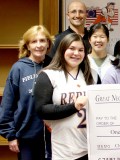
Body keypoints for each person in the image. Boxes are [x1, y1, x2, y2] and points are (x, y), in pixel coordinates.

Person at [34, 33, 99, 160]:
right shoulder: (48, 75)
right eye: (72, 48)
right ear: (63, 50)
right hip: (62, 149)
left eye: (81, 50)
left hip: (90, 149)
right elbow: (41, 110)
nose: (76, 53)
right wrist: (74, 106)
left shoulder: (93, 75)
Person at [0, 25, 53, 160]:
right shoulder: (18, 68)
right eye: (34, 41)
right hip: (25, 136)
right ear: (27, 46)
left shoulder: (54, 66)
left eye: (42, 40)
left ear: (48, 43)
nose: (39, 45)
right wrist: (10, 135)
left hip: (52, 136)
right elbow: (7, 103)